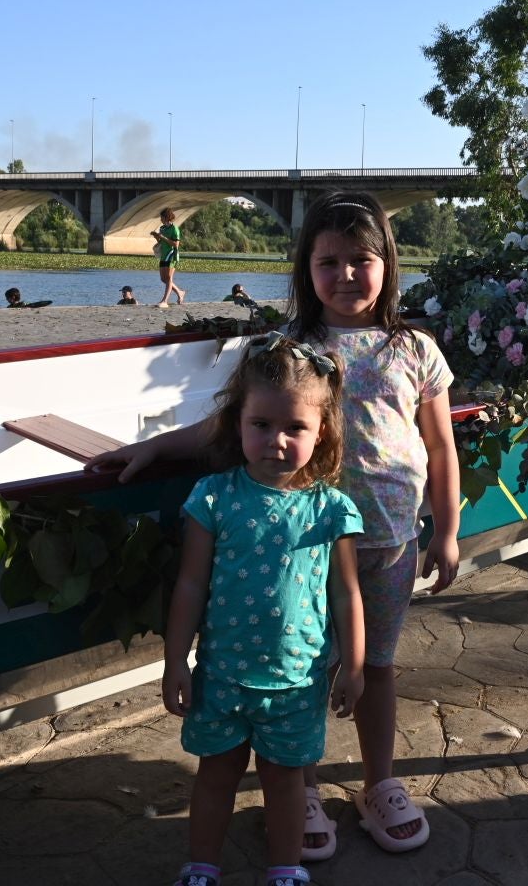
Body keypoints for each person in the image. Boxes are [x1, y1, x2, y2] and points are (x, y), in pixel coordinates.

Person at [91, 191, 461, 859]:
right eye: (330, 261)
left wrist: (448, 528)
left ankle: (380, 783)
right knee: (306, 672)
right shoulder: (290, 347)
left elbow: (440, 446)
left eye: (361, 259)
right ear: (306, 268)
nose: (346, 275)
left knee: (374, 667)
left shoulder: (415, 349)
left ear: (387, 265)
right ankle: (303, 786)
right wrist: (156, 447)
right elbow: (230, 424)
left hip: (388, 545)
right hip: (304, 550)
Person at [161, 332, 366, 886]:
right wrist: (175, 661)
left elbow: (346, 593)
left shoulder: (331, 509)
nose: (276, 439)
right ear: (239, 423)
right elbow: (189, 585)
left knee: (286, 785)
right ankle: (201, 865)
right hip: (222, 677)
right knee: (215, 778)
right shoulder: (213, 497)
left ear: (321, 431)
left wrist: (353, 665)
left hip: (298, 683)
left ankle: (285, 870)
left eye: (295, 427)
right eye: (262, 425)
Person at [152, 207, 186, 308]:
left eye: (162, 217)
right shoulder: (162, 228)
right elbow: (161, 242)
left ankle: (164, 301)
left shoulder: (174, 229)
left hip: (172, 255)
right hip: (163, 254)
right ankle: (180, 292)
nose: (160, 219)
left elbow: (176, 244)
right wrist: (156, 237)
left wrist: (163, 237)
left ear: (166, 217)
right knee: (163, 279)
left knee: (169, 278)